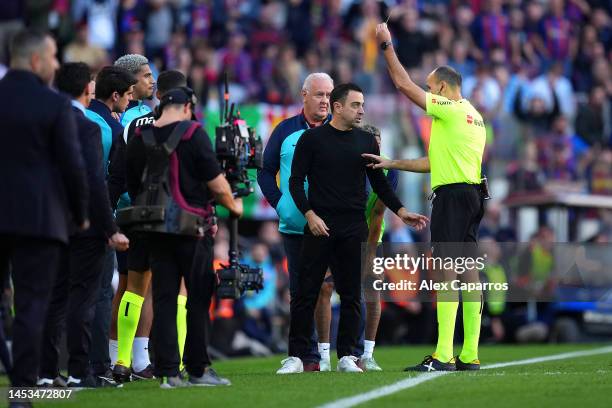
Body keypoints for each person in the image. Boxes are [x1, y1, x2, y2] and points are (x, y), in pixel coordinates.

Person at [277, 83, 428, 374]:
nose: (361, 110)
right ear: (337, 107)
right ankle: (296, 356)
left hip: (353, 227)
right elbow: (294, 182)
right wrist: (309, 214)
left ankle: (348, 355)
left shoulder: (366, 142)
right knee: (306, 292)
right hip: (319, 226)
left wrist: (402, 211)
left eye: (362, 105)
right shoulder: (311, 140)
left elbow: (381, 184)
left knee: (351, 295)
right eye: (356, 105)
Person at [364, 23, 487, 371]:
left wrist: (386, 45)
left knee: (447, 272)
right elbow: (434, 162)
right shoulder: (473, 118)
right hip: (473, 195)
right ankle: (469, 355)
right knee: (468, 273)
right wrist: (392, 162)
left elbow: (403, 84)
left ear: (444, 88)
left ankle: (443, 354)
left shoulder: (448, 109)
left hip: (452, 197)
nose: (428, 94)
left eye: (432, 88)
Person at [125, 87, 242, 388]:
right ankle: (198, 369)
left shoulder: (140, 137)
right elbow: (216, 183)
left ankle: (168, 373)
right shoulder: (193, 133)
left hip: (154, 228)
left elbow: (132, 180)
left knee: (163, 297)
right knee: (198, 298)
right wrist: (234, 206)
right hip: (191, 228)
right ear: (188, 106)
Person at [0, 29, 89, 393]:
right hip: (38, 219)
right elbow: (73, 167)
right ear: (36, 60)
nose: (56, 65)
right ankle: (22, 392)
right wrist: (80, 213)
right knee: (33, 305)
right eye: (53, 57)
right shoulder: (53, 106)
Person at [38, 62, 129, 388]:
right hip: (83, 224)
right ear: (87, 89)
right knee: (83, 298)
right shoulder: (89, 127)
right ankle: (80, 372)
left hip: (46, 221)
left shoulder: (44, 122)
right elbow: (93, 182)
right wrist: (110, 228)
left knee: (54, 297)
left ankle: (47, 374)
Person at [109, 70, 192, 382]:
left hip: (140, 213)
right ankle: (178, 362)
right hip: (178, 217)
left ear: (159, 94)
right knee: (178, 289)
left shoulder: (134, 126)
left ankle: (120, 359)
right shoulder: (189, 129)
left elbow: (123, 174)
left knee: (134, 286)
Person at [257, 72, 334, 371]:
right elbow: (266, 171)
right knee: (300, 291)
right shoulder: (285, 129)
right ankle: (302, 355)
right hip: (295, 226)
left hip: (333, 224)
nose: (325, 101)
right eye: (319, 95)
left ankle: (349, 355)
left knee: (338, 287)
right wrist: (281, 204)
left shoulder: (339, 129)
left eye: (329, 95)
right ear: (304, 95)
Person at [85, 65, 136, 380]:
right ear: (115, 95)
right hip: (101, 217)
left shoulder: (78, 117)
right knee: (103, 291)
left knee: (72, 292)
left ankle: (55, 368)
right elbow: (119, 180)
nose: (129, 101)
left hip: (68, 216)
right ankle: (99, 364)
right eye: (128, 95)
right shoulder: (115, 131)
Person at [109, 53, 156, 379]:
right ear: (130, 82)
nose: (151, 81)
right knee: (132, 285)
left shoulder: (139, 113)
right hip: (134, 211)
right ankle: (122, 357)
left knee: (138, 284)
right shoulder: (131, 118)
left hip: (133, 209)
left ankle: (135, 358)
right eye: (146, 76)